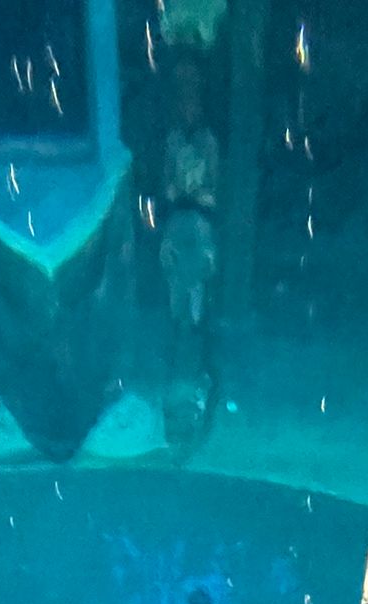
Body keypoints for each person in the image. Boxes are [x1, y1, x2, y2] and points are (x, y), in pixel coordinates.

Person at [158, 55, 220, 415]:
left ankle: (199, 376)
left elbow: (211, 193)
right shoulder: (172, 140)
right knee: (176, 304)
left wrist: (190, 197)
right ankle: (176, 375)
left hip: (198, 225)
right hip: (178, 224)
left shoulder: (208, 141)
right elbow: (168, 189)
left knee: (197, 307)